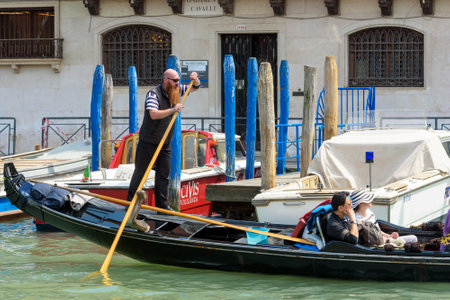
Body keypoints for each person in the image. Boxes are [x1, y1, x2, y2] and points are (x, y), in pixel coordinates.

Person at [126, 69, 201, 210]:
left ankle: (162, 206)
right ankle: (130, 204)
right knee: (141, 173)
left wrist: (195, 79)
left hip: (164, 142)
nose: (177, 83)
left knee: (163, 175)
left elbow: (195, 87)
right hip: (148, 141)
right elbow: (153, 114)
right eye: (175, 81)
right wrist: (173, 110)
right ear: (166, 80)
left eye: (178, 80)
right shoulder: (153, 94)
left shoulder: (176, 89)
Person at [350, 189, 418, 244]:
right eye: (368, 199)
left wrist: (389, 236)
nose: (371, 200)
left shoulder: (369, 212)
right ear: (361, 203)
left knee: (413, 238)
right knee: (413, 239)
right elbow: (367, 237)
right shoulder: (356, 219)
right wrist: (384, 240)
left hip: (383, 239)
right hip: (377, 244)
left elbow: (377, 230)